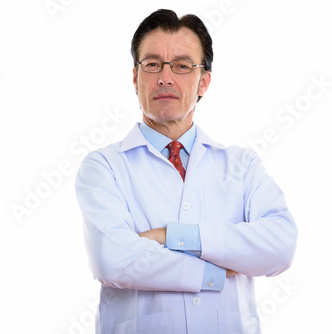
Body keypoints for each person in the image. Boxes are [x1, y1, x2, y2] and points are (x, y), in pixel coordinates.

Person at [74, 9, 297, 334]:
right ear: (135, 78)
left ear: (203, 81)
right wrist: (220, 269)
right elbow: (113, 260)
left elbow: (280, 245)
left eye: (181, 65)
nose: (165, 77)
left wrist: (169, 236)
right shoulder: (104, 167)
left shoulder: (242, 165)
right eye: (152, 64)